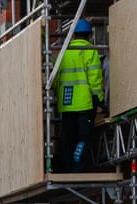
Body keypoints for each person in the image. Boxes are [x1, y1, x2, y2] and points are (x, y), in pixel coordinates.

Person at [53, 19, 105, 173]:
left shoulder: (64, 52)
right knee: (84, 137)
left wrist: (59, 96)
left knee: (68, 136)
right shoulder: (89, 51)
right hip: (84, 104)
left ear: (74, 35)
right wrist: (99, 99)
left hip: (66, 103)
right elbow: (95, 78)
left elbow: (55, 80)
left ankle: (67, 165)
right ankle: (78, 163)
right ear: (89, 35)